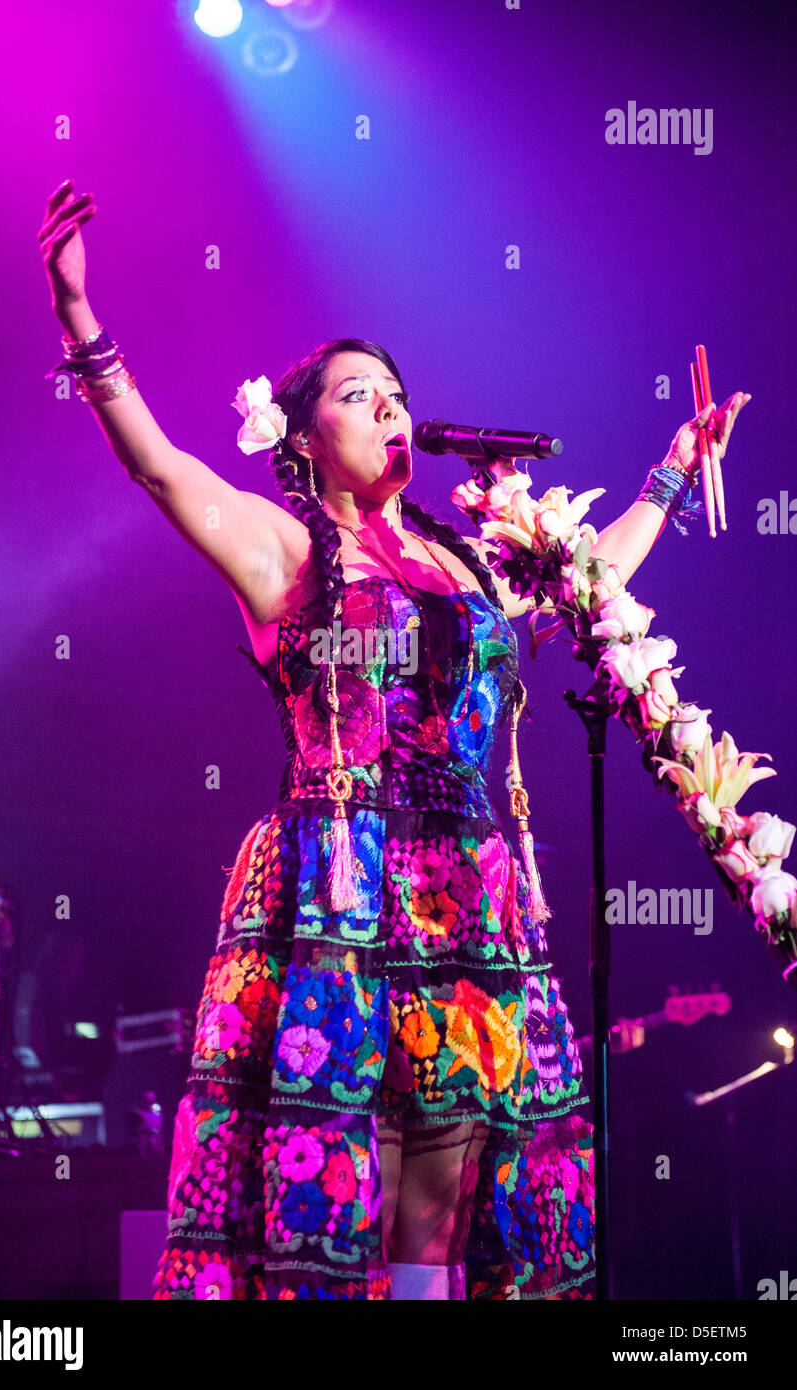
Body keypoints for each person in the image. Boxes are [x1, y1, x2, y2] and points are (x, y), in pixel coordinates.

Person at [38, 179, 750, 1301]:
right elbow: (163, 469)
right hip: (342, 879)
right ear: (305, 433)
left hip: (473, 883)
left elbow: (591, 578)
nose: (387, 410)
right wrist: (81, 318)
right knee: (343, 1169)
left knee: (445, 1184)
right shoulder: (286, 548)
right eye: (358, 395)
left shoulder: (468, 562)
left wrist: (671, 466)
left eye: (396, 395)